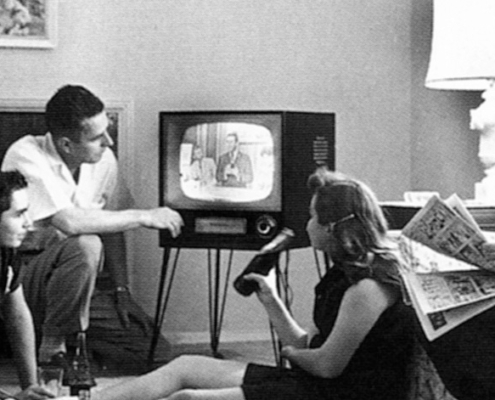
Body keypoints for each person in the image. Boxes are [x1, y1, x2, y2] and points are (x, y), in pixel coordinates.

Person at [90, 167, 414, 400]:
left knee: (189, 398)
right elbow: (309, 346)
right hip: (317, 383)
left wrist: (289, 354)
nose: (308, 223)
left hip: (340, 394)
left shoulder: (368, 288)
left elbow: (326, 365)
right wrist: (271, 300)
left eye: (314, 216)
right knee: (184, 366)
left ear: (332, 228)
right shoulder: (343, 274)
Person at [1, 85, 184, 368]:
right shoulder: (25, 154)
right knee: (86, 243)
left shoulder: (103, 159)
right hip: (24, 280)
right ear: (65, 144)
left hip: (78, 288)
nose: (109, 141)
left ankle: (61, 338)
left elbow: (112, 225)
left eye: (107, 130)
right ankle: (52, 345)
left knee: (156, 353)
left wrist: (122, 290)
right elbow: (69, 222)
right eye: (98, 137)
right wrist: (144, 216)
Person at [0, 170, 54, 400]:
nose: (28, 224)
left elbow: (18, 316)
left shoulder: (6, 254)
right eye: (18, 214)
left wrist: (31, 387)